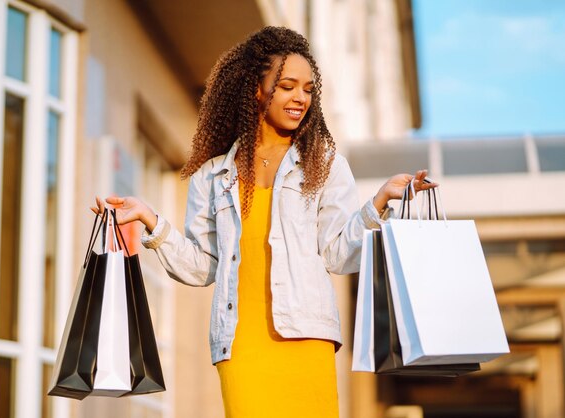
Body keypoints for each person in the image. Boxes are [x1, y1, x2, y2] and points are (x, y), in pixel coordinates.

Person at [93, 26, 436, 418]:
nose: (300, 98)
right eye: (287, 85)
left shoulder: (324, 165)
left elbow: (339, 256)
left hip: (307, 339)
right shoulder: (212, 176)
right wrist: (151, 220)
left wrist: (377, 204)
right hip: (240, 344)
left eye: (308, 89)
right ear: (256, 89)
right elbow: (202, 267)